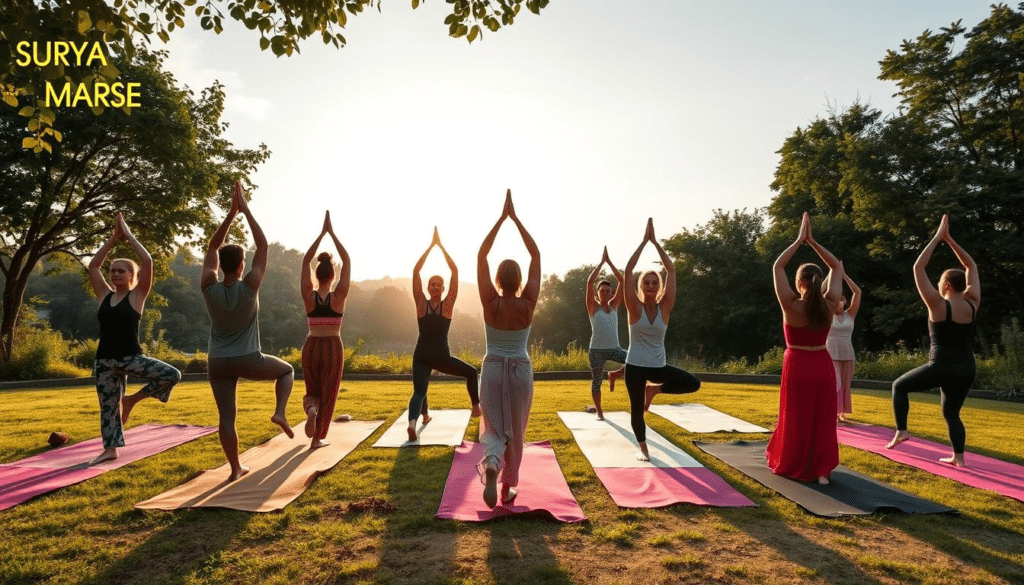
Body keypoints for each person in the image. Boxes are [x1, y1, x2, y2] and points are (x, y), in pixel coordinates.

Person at [201, 181, 294, 481]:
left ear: (222, 267)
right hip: (248, 358)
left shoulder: (208, 288)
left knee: (226, 418)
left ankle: (235, 469)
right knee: (286, 371)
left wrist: (230, 215)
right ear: (242, 266)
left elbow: (213, 247)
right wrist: (246, 210)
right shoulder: (250, 286)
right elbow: (263, 246)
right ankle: (279, 411)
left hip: (217, 361)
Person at [87, 212, 181, 465]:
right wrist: (112, 238)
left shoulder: (137, 296)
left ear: (131, 275)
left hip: (131, 357)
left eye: (121, 271)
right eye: (113, 270)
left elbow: (147, 261)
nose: (115, 274)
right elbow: (93, 266)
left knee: (172, 374)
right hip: (105, 360)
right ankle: (110, 449)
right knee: (107, 408)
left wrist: (127, 235)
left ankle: (132, 400)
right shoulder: (104, 295)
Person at [886, 214, 979, 467]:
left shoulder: (937, 305)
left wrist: (938, 238)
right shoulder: (972, 303)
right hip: (966, 368)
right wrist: (952, 242)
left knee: (899, 386)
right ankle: (959, 458)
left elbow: (918, 268)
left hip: (941, 366)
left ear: (947, 284)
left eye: (940, 281)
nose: (937, 284)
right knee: (951, 414)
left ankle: (902, 430)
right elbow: (971, 267)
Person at [765, 212, 843, 484]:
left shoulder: (790, 304)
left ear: (799, 282)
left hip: (797, 364)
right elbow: (837, 267)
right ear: (819, 280)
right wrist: (815, 243)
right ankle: (822, 471)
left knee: (796, 416)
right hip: (822, 364)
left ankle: (794, 462)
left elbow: (777, 267)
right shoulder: (831, 302)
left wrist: (800, 241)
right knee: (822, 419)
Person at [477, 190, 540, 508]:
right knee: (516, 430)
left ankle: (491, 464)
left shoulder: (491, 302)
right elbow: (536, 256)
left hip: (491, 369)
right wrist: (516, 220)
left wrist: (501, 220)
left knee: (492, 426)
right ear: (519, 281)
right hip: (519, 371)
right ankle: (506, 489)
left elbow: (481, 255)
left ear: (499, 280)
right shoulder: (528, 303)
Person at [622, 218, 701, 462]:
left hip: (658, 367)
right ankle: (643, 448)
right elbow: (627, 271)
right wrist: (643, 242)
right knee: (637, 410)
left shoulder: (665, 306)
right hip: (635, 367)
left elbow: (672, 270)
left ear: (659, 287)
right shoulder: (633, 307)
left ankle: (654, 389)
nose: (650, 285)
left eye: (654, 282)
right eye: (646, 282)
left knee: (692, 383)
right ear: (640, 286)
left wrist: (655, 243)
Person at [407, 227, 481, 441]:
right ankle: (475, 407)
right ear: (431, 288)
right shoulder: (447, 305)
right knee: (471, 372)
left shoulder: (421, 303)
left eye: (438, 284)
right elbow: (454, 271)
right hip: (441, 356)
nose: (436, 286)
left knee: (419, 390)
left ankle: (415, 421)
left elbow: (415, 272)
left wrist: (433, 247)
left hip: (421, 354)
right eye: (434, 284)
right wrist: (438, 247)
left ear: (439, 288)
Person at [300, 211, 351, 450]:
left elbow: (304, 262)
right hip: (332, 346)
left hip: (311, 346)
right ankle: (317, 438)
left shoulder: (309, 296)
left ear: (317, 274)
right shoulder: (338, 297)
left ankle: (311, 408)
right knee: (329, 394)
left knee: (313, 390)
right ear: (333, 275)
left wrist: (321, 235)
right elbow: (347, 261)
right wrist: (332, 234)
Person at [585, 246, 627, 421]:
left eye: (608, 291)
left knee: (637, 360)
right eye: (602, 291)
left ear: (611, 293)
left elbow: (622, 281)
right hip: (596, 351)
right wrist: (600, 263)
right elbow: (589, 282)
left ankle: (615, 374)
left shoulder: (614, 305)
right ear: (597, 293)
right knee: (596, 382)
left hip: (614, 349)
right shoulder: (593, 307)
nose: (605, 293)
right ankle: (600, 412)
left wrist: (609, 263)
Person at [825, 273, 861, 422]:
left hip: (848, 352)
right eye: (837, 300)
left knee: (845, 383)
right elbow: (821, 295)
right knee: (835, 382)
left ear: (844, 301)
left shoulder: (850, 314)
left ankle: (841, 414)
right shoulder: (827, 314)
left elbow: (858, 292)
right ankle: (831, 411)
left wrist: (845, 276)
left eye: (842, 299)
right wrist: (832, 274)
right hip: (831, 352)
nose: (839, 302)